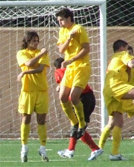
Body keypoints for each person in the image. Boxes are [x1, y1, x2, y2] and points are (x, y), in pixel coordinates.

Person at [54, 57, 103, 160]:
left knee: (77, 125)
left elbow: (63, 83)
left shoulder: (60, 71)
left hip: (82, 99)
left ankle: (92, 149)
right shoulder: (76, 71)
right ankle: (71, 150)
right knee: (77, 125)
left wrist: (59, 86)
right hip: (89, 97)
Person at [56, 8, 91, 138]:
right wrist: (69, 38)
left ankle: (82, 124)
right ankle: (74, 123)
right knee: (62, 97)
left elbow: (87, 49)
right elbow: (61, 49)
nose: (60, 23)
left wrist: (71, 59)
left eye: (62, 20)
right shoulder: (63, 31)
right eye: (58, 21)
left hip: (82, 66)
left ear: (69, 18)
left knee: (74, 97)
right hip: (70, 68)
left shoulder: (79, 29)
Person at [16, 31, 50, 162]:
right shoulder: (21, 53)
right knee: (26, 119)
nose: (36, 43)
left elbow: (40, 68)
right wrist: (41, 53)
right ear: (27, 41)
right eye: (33, 41)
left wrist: (25, 73)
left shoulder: (42, 53)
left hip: (41, 91)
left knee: (41, 120)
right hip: (28, 91)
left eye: (37, 41)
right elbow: (29, 63)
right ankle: (24, 147)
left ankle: (42, 148)